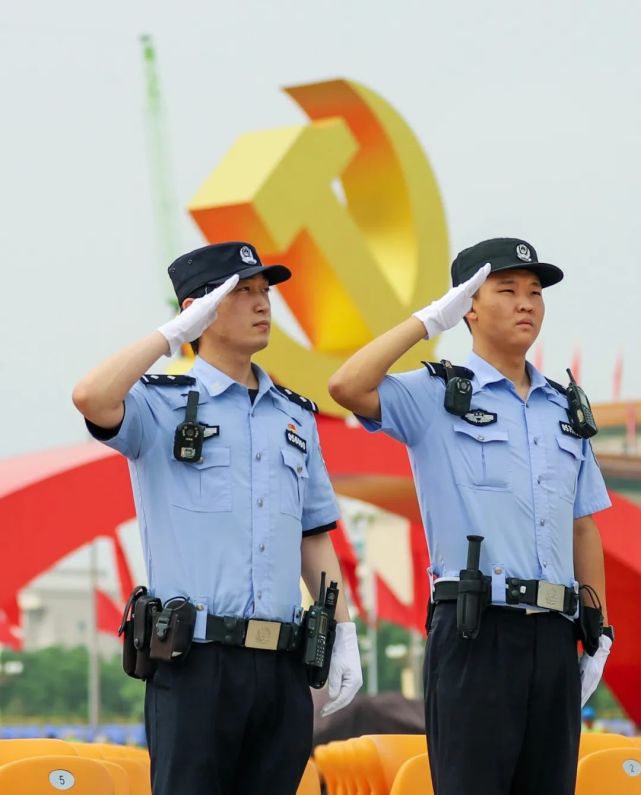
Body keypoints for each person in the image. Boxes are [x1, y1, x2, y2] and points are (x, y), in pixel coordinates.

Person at [72, 241, 362, 795]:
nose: (262, 304)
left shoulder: (295, 415)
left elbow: (314, 535)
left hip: (282, 665)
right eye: (241, 292)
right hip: (195, 664)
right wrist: (171, 335)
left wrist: (344, 630)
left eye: (264, 291)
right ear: (197, 309)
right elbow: (90, 396)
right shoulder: (159, 406)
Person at [328, 237, 613, 795]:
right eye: (506, 290)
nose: (527, 302)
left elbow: (583, 525)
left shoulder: (564, 408)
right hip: (477, 631)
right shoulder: (438, 396)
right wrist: (428, 320)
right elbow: (347, 385)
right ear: (468, 308)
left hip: (556, 636)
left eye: (535, 292)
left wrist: (597, 633)